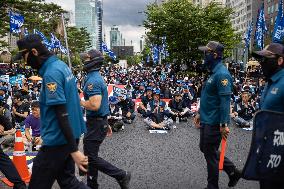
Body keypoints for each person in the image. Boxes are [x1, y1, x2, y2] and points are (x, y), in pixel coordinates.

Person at [14, 34, 89, 189]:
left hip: (57, 140)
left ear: (34, 52)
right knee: (68, 182)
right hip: (68, 136)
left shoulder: (51, 73)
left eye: (24, 56)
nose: (24, 61)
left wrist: (74, 150)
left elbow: (61, 113)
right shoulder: (60, 65)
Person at [80, 49, 131, 189]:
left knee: (90, 157)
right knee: (91, 156)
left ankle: (121, 175)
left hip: (96, 122)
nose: (84, 61)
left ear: (93, 61)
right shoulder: (92, 77)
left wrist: (79, 102)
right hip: (97, 122)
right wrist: (106, 122)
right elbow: (102, 104)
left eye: (87, 59)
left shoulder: (93, 80)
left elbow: (95, 105)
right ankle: (92, 184)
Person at [195, 41, 241, 189]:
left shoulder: (221, 74)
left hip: (215, 122)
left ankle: (212, 186)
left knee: (210, 154)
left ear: (215, 55)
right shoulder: (213, 72)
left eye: (206, 52)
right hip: (206, 118)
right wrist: (199, 113)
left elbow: (225, 101)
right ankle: (232, 170)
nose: (204, 55)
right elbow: (208, 97)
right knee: (206, 148)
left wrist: (224, 124)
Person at [251, 43, 284, 189]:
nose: (261, 63)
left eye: (265, 59)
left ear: (280, 60)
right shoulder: (270, 81)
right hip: (266, 151)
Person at [0, 97, 27, 189]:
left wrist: (5, 131)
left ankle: (19, 184)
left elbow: (12, 129)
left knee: (3, 159)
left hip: (11, 134)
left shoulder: (4, 115)